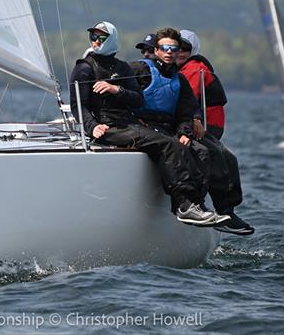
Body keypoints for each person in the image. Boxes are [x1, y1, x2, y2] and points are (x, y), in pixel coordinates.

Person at [69, 21, 227, 227]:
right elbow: (78, 105)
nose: (96, 41)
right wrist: (92, 127)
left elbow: (138, 99)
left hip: (127, 123)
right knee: (169, 144)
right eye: (93, 37)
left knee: (184, 145)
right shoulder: (84, 68)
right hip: (106, 127)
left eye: (101, 37)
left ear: (113, 40)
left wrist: (116, 90)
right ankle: (184, 205)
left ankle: (195, 204)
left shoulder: (122, 67)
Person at [177, 29, 253, 235]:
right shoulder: (183, 67)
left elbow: (188, 98)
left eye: (185, 48)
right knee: (215, 155)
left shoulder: (194, 67)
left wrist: (192, 121)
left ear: (193, 50)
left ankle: (220, 209)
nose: (180, 52)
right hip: (196, 125)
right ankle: (207, 206)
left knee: (223, 157)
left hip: (205, 126)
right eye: (177, 47)